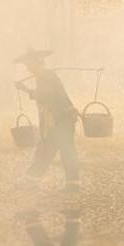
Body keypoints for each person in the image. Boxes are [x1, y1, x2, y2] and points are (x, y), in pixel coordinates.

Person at [15, 49, 80, 191]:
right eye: (27, 66)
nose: (28, 69)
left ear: (37, 63)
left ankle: (72, 183)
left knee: (64, 150)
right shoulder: (43, 76)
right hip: (55, 121)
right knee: (47, 149)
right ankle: (33, 179)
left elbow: (45, 96)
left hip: (62, 120)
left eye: (29, 65)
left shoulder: (47, 75)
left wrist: (25, 89)